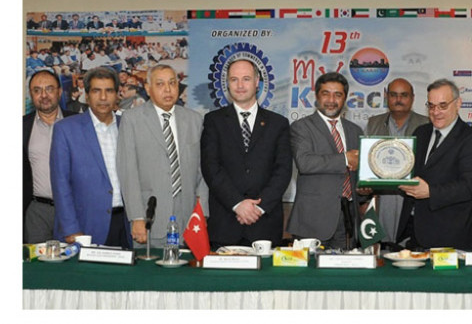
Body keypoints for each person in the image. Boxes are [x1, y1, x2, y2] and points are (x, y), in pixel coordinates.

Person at [201, 59, 292, 247]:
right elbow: (211, 168)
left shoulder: (278, 124)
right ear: (227, 83)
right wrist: (237, 204)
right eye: (234, 79)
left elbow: (283, 171)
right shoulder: (213, 121)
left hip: (264, 224)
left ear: (257, 82)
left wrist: (258, 208)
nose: (240, 85)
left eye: (246, 79)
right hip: (225, 225)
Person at [117, 64, 209, 248]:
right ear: (148, 89)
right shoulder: (132, 119)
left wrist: (202, 213)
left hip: (189, 219)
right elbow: (128, 172)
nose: (168, 89)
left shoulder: (194, 120)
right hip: (150, 218)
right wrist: (137, 217)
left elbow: (203, 170)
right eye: (160, 84)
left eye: (172, 83)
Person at [396, 79, 472, 249]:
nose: (436, 112)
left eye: (443, 106)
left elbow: (470, 186)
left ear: (458, 104)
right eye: (431, 106)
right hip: (415, 232)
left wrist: (430, 192)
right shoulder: (420, 133)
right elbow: (409, 172)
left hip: (451, 235)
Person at [50, 67, 131, 248]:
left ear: (117, 95)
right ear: (87, 96)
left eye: (109, 91)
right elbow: (60, 184)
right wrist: (70, 229)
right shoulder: (66, 130)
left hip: (125, 226)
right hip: (84, 227)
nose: (103, 97)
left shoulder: (128, 126)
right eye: (96, 91)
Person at [287, 72, 364, 249]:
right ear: (316, 96)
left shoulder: (355, 131)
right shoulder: (301, 127)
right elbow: (305, 163)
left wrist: (364, 189)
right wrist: (345, 158)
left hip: (347, 221)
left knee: (345, 267)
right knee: (309, 268)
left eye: (338, 95)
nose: (331, 100)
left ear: (345, 98)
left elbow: (357, 173)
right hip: (312, 220)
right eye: (326, 93)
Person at [364, 78, 428, 245]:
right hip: (382, 197)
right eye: (393, 95)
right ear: (386, 97)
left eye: (404, 95)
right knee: (382, 247)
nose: (398, 100)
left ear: (412, 98)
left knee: (408, 250)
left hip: (412, 197)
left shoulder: (426, 124)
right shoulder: (373, 123)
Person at [23, 70, 75, 243]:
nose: (43, 95)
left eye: (49, 89)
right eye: (37, 90)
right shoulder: (21, 127)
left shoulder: (79, 123)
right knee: (36, 259)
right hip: (37, 211)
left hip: (74, 209)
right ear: (31, 95)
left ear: (59, 92)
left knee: (75, 258)